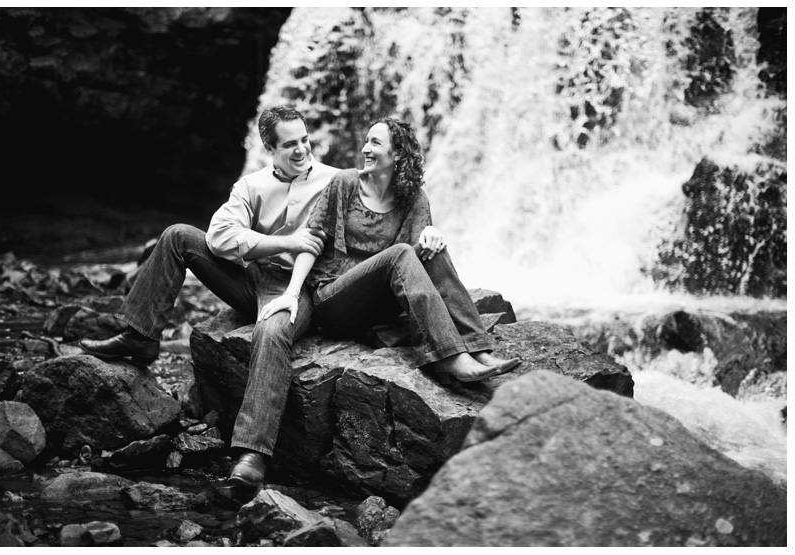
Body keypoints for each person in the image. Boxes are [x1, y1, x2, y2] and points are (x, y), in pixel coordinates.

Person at [79, 105, 340, 487]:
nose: (301, 150)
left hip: (301, 286)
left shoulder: (336, 180)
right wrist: (283, 241)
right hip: (254, 279)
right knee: (178, 235)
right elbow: (219, 237)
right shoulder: (251, 186)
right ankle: (141, 335)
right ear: (269, 146)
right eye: (289, 144)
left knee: (268, 333)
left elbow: (382, 204)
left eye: (304, 140)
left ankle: (253, 453)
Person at [258, 117, 520, 384]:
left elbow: (421, 256)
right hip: (333, 299)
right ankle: (451, 358)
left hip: (380, 305)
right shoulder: (346, 183)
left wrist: (430, 234)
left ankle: (478, 348)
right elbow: (311, 240)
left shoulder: (414, 196)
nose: (365, 149)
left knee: (435, 250)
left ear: (396, 154)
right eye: (366, 141)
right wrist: (292, 293)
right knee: (400, 253)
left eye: (375, 142)